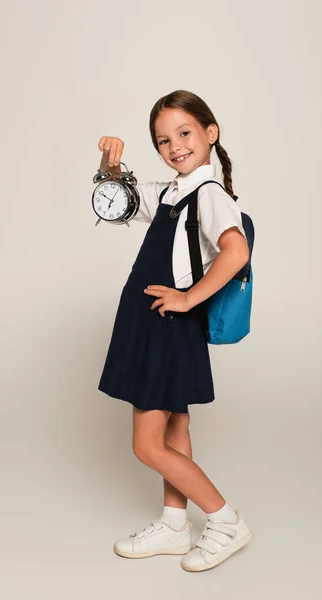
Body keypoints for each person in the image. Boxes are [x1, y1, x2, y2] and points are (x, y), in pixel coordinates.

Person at [97, 90, 254, 572]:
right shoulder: (174, 191)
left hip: (168, 324)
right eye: (163, 140)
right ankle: (173, 524)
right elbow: (120, 202)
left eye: (184, 133)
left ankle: (225, 521)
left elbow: (236, 250)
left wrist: (187, 297)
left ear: (210, 133)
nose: (174, 145)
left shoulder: (208, 195)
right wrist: (109, 167)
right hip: (153, 322)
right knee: (175, 425)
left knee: (146, 444)